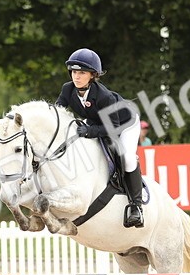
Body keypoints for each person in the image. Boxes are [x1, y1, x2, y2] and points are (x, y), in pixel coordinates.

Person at [54, 47, 145, 228]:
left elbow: (113, 128)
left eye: (82, 72)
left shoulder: (104, 97)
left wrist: (89, 131)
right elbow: (57, 113)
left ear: (92, 75)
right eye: (73, 72)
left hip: (125, 124)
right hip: (96, 121)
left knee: (126, 157)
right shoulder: (67, 90)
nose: (76, 77)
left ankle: (136, 206)